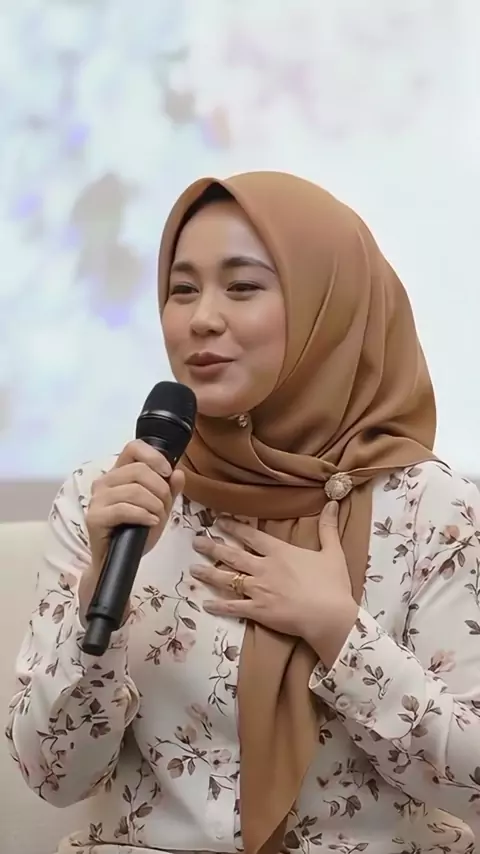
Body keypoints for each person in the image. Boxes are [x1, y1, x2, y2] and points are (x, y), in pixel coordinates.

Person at [6, 171, 480, 854]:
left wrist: (339, 631)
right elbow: (53, 776)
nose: (201, 318)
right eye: (182, 289)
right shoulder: (108, 496)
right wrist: (96, 601)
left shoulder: (429, 509)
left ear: (328, 306)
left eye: (243, 286)